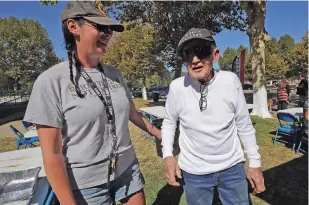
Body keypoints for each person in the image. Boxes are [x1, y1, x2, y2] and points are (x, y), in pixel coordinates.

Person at [23, 2, 161, 205]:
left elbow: (132, 113)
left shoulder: (115, 74)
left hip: (127, 169)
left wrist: (159, 133)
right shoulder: (51, 81)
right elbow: (51, 154)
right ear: (73, 27)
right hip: (85, 184)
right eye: (100, 27)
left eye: (110, 30)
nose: (107, 35)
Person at [161, 28, 265, 205]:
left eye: (200, 51)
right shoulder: (177, 87)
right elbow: (169, 123)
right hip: (194, 173)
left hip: (232, 168)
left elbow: (244, 125)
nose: (194, 60)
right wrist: (168, 155)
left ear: (215, 55)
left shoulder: (230, 81)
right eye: (188, 54)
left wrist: (254, 163)